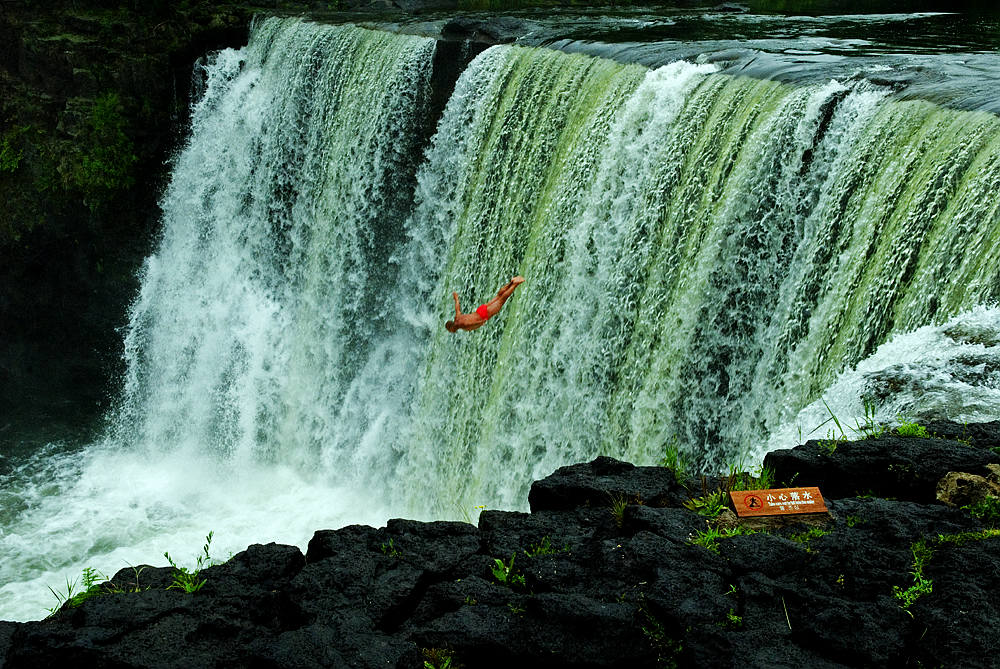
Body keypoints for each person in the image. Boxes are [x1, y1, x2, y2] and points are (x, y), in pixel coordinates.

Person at [445, 276, 525, 333]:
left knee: (501, 300)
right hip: (480, 310)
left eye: (451, 331)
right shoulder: (457, 317)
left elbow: (470, 323)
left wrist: (481, 322)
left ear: (451, 328)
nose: (452, 332)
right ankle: (511, 282)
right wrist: (456, 298)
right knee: (498, 296)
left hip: (483, 315)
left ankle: (516, 284)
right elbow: (457, 308)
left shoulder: (462, 325)